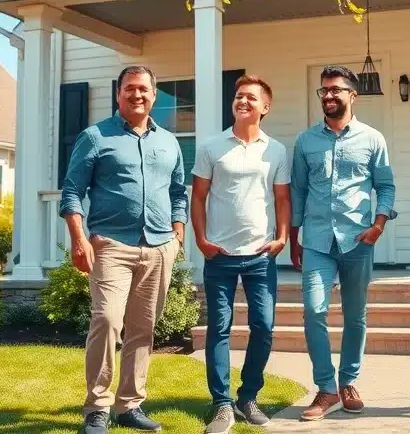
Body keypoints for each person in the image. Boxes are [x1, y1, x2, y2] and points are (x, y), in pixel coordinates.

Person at [59, 65, 188, 434]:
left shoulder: (169, 142)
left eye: (144, 89)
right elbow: (72, 191)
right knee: (106, 321)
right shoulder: (95, 137)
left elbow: (179, 192)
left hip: (159, 246)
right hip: (111, 246)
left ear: (154, 94)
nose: (137, 95)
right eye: (130, 89)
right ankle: (97, 406)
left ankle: (129, 405)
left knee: (142, 329)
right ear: (118, 94)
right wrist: (79, 239)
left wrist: (178, 235)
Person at [289, 65, 397, 422]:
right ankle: (326, 388)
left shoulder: (372, 139)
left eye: (336, 90)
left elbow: (386, 185)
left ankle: (348, 381)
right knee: (314, 311)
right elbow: (299, 190)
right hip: (317, 239)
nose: (329, 96)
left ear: (353, 95)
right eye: (324, 91)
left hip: (357, 239)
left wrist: (379, 224)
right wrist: (294, 236)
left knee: (355, 315)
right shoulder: (306, 141)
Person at [191, 75, 291, 434]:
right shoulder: (212, 146)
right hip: (219, 254)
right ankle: (221, 405)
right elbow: (198, 196)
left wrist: (281, 237)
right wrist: (201, 239)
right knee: (218, 329)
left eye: (250, 98)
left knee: (263, 327)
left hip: (261, 255)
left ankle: (248, 397)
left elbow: (282, 199)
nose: (242, 101)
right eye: (238, 96)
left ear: (265, 107)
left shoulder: (276, 150)